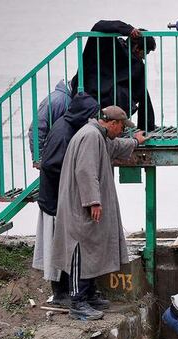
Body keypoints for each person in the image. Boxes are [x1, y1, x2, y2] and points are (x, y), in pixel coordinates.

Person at [51, 105, 147, 320]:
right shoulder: (91, 137)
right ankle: (78, 302)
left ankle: (89, 295)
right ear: (113, 123)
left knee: (93, 251)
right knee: (81, 251)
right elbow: (86, 171)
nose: (122, 131)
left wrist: (135, 141)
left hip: (83, 204)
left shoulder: (97, 134)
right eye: (122, 127)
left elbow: (114, 147)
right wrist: (93, 201)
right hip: (81, 206)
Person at [32, 92, 99, 308]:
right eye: (91, 116)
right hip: (54, 202)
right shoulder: (63, 133)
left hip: (58, 200)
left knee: (62, 247)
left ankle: (67, 292)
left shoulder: (67, 126)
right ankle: (60, 294)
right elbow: (52, 165)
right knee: (58, 248)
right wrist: (73, 179)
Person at [70, 20, 156, 131]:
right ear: (137, 48)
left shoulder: (114, 46)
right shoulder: (135, 64)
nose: (144, 57)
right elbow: (143, 95)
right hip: (100, 105)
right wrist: (146, 127)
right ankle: (144, 126)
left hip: (84, 98)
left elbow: (99, 25)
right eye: (145, 53)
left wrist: (127, 30)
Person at [28, 80, 72, 165]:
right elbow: (37, 128)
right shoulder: (58, 100)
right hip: (53, 156)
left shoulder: (61, 99)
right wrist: (38, 157)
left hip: (55, 155)